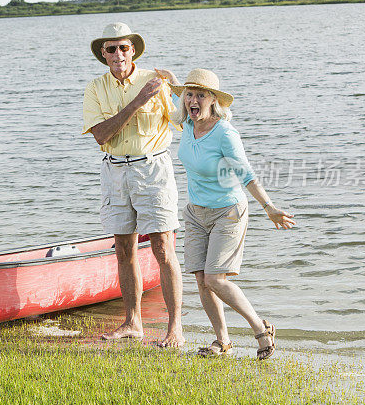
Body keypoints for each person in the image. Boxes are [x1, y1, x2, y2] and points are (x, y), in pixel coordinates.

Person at [165, 68, 295, 359]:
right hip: (195, 213)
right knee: (201, 279)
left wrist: (269, 208)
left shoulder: (225, 133)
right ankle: (222, 341)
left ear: (213, 100)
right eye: (189, 95)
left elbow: (246, 174)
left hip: (228, 211)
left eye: (201, 95)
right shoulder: (186, 124)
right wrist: (172, 81)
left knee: (216, 279)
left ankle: (260, 328)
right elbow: (174, 97)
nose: (193, 100)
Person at [82, 22, 185, 348]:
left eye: (123, 47)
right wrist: (138, 102)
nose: (117, 54)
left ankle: (175, 328)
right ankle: (133, 322)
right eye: (110, 49)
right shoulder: (95, 88)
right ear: (103, 53)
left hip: (152, 168)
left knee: (163, 248)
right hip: (114, 171)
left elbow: (183, 120)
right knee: (123, 250)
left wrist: (178, 86)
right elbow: (101, 135)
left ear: (133, 50)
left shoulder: (156, 82)